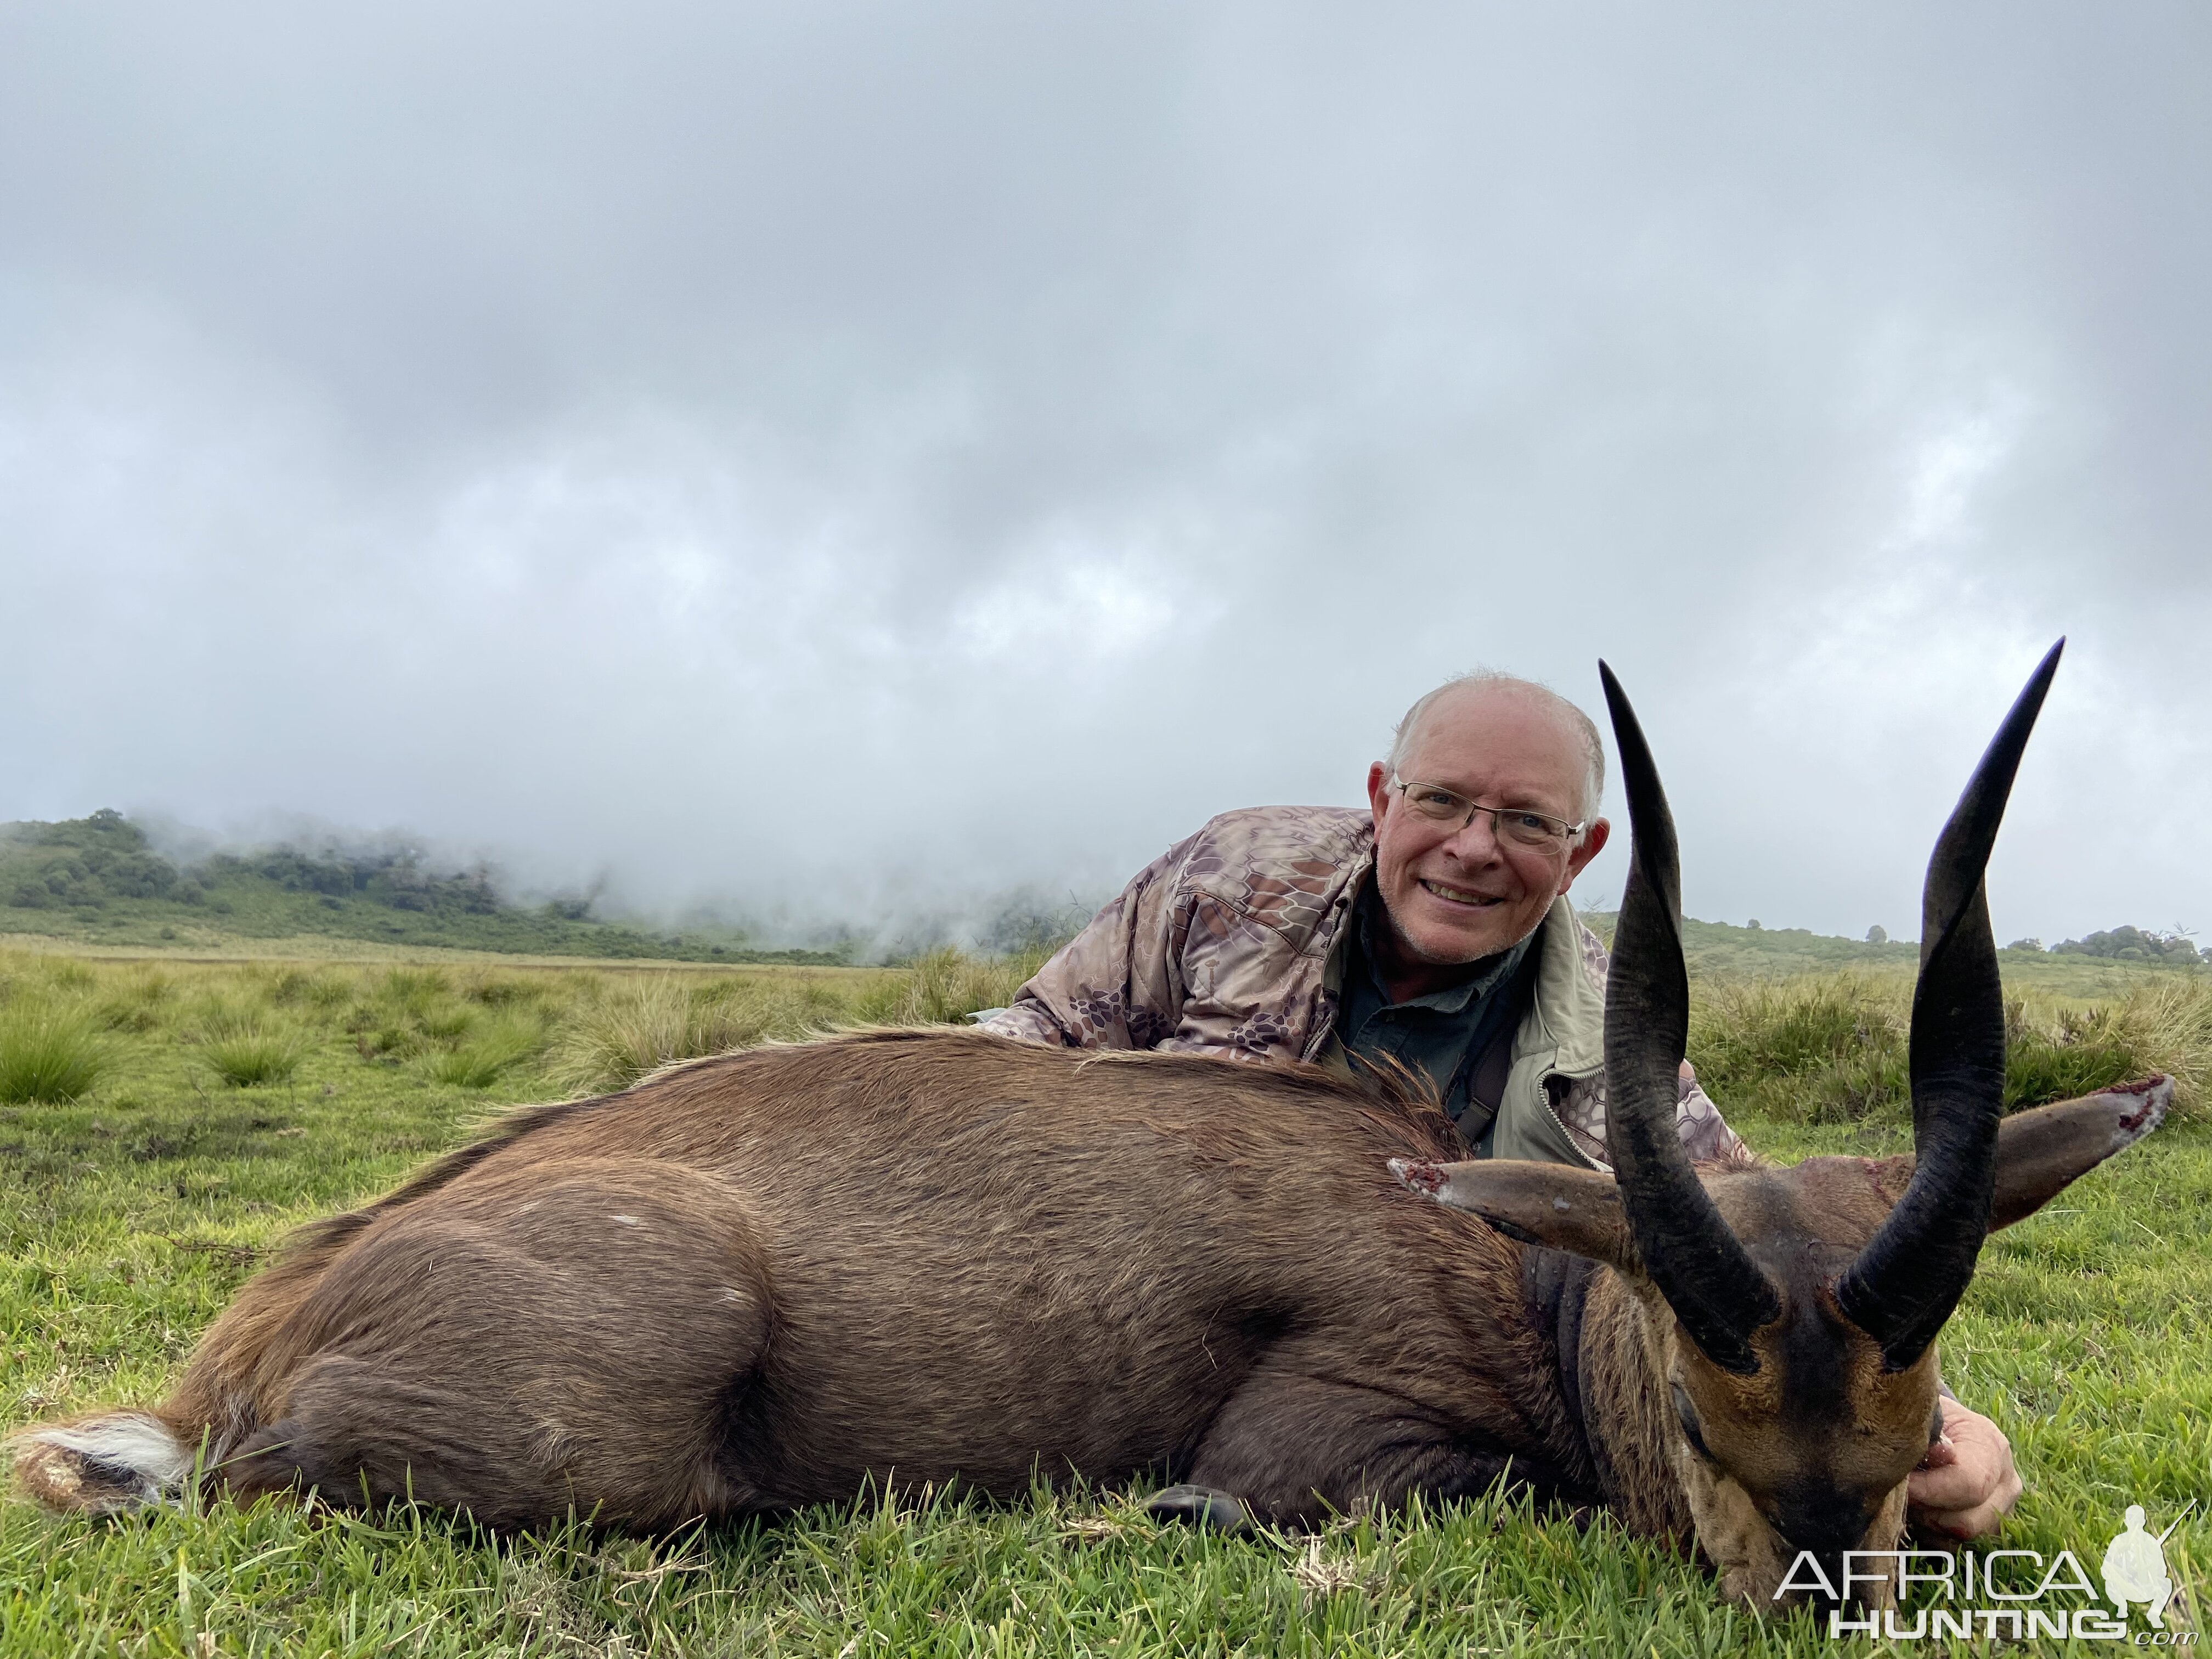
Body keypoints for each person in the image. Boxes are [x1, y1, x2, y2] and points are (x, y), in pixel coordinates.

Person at [981, 669, 2022, 1538]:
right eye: (1441, 801)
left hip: (1349, 1361)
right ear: (1383, 797)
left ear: (1582, 854)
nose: (1474, 847)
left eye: (1527, 821)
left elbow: (1754, 1249)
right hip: (1140, 1294)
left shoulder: (1618, 1041)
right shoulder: (1233, 877)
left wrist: (1939, 1426)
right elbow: (1013, 1064)